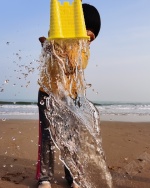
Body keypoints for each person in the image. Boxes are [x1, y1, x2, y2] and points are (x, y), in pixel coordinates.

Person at [36, 3, 101, 188]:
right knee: (48, 136)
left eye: (92, 34)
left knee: (71, 137)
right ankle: (45, 178)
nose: (90, 36)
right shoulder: (57, 35)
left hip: (71, 96)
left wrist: (82, 41)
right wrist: (48, 46)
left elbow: (75, 66)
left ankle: (73, 176)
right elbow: (52, 56)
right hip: (48, 93)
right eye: (88, 30)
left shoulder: (84, 49)